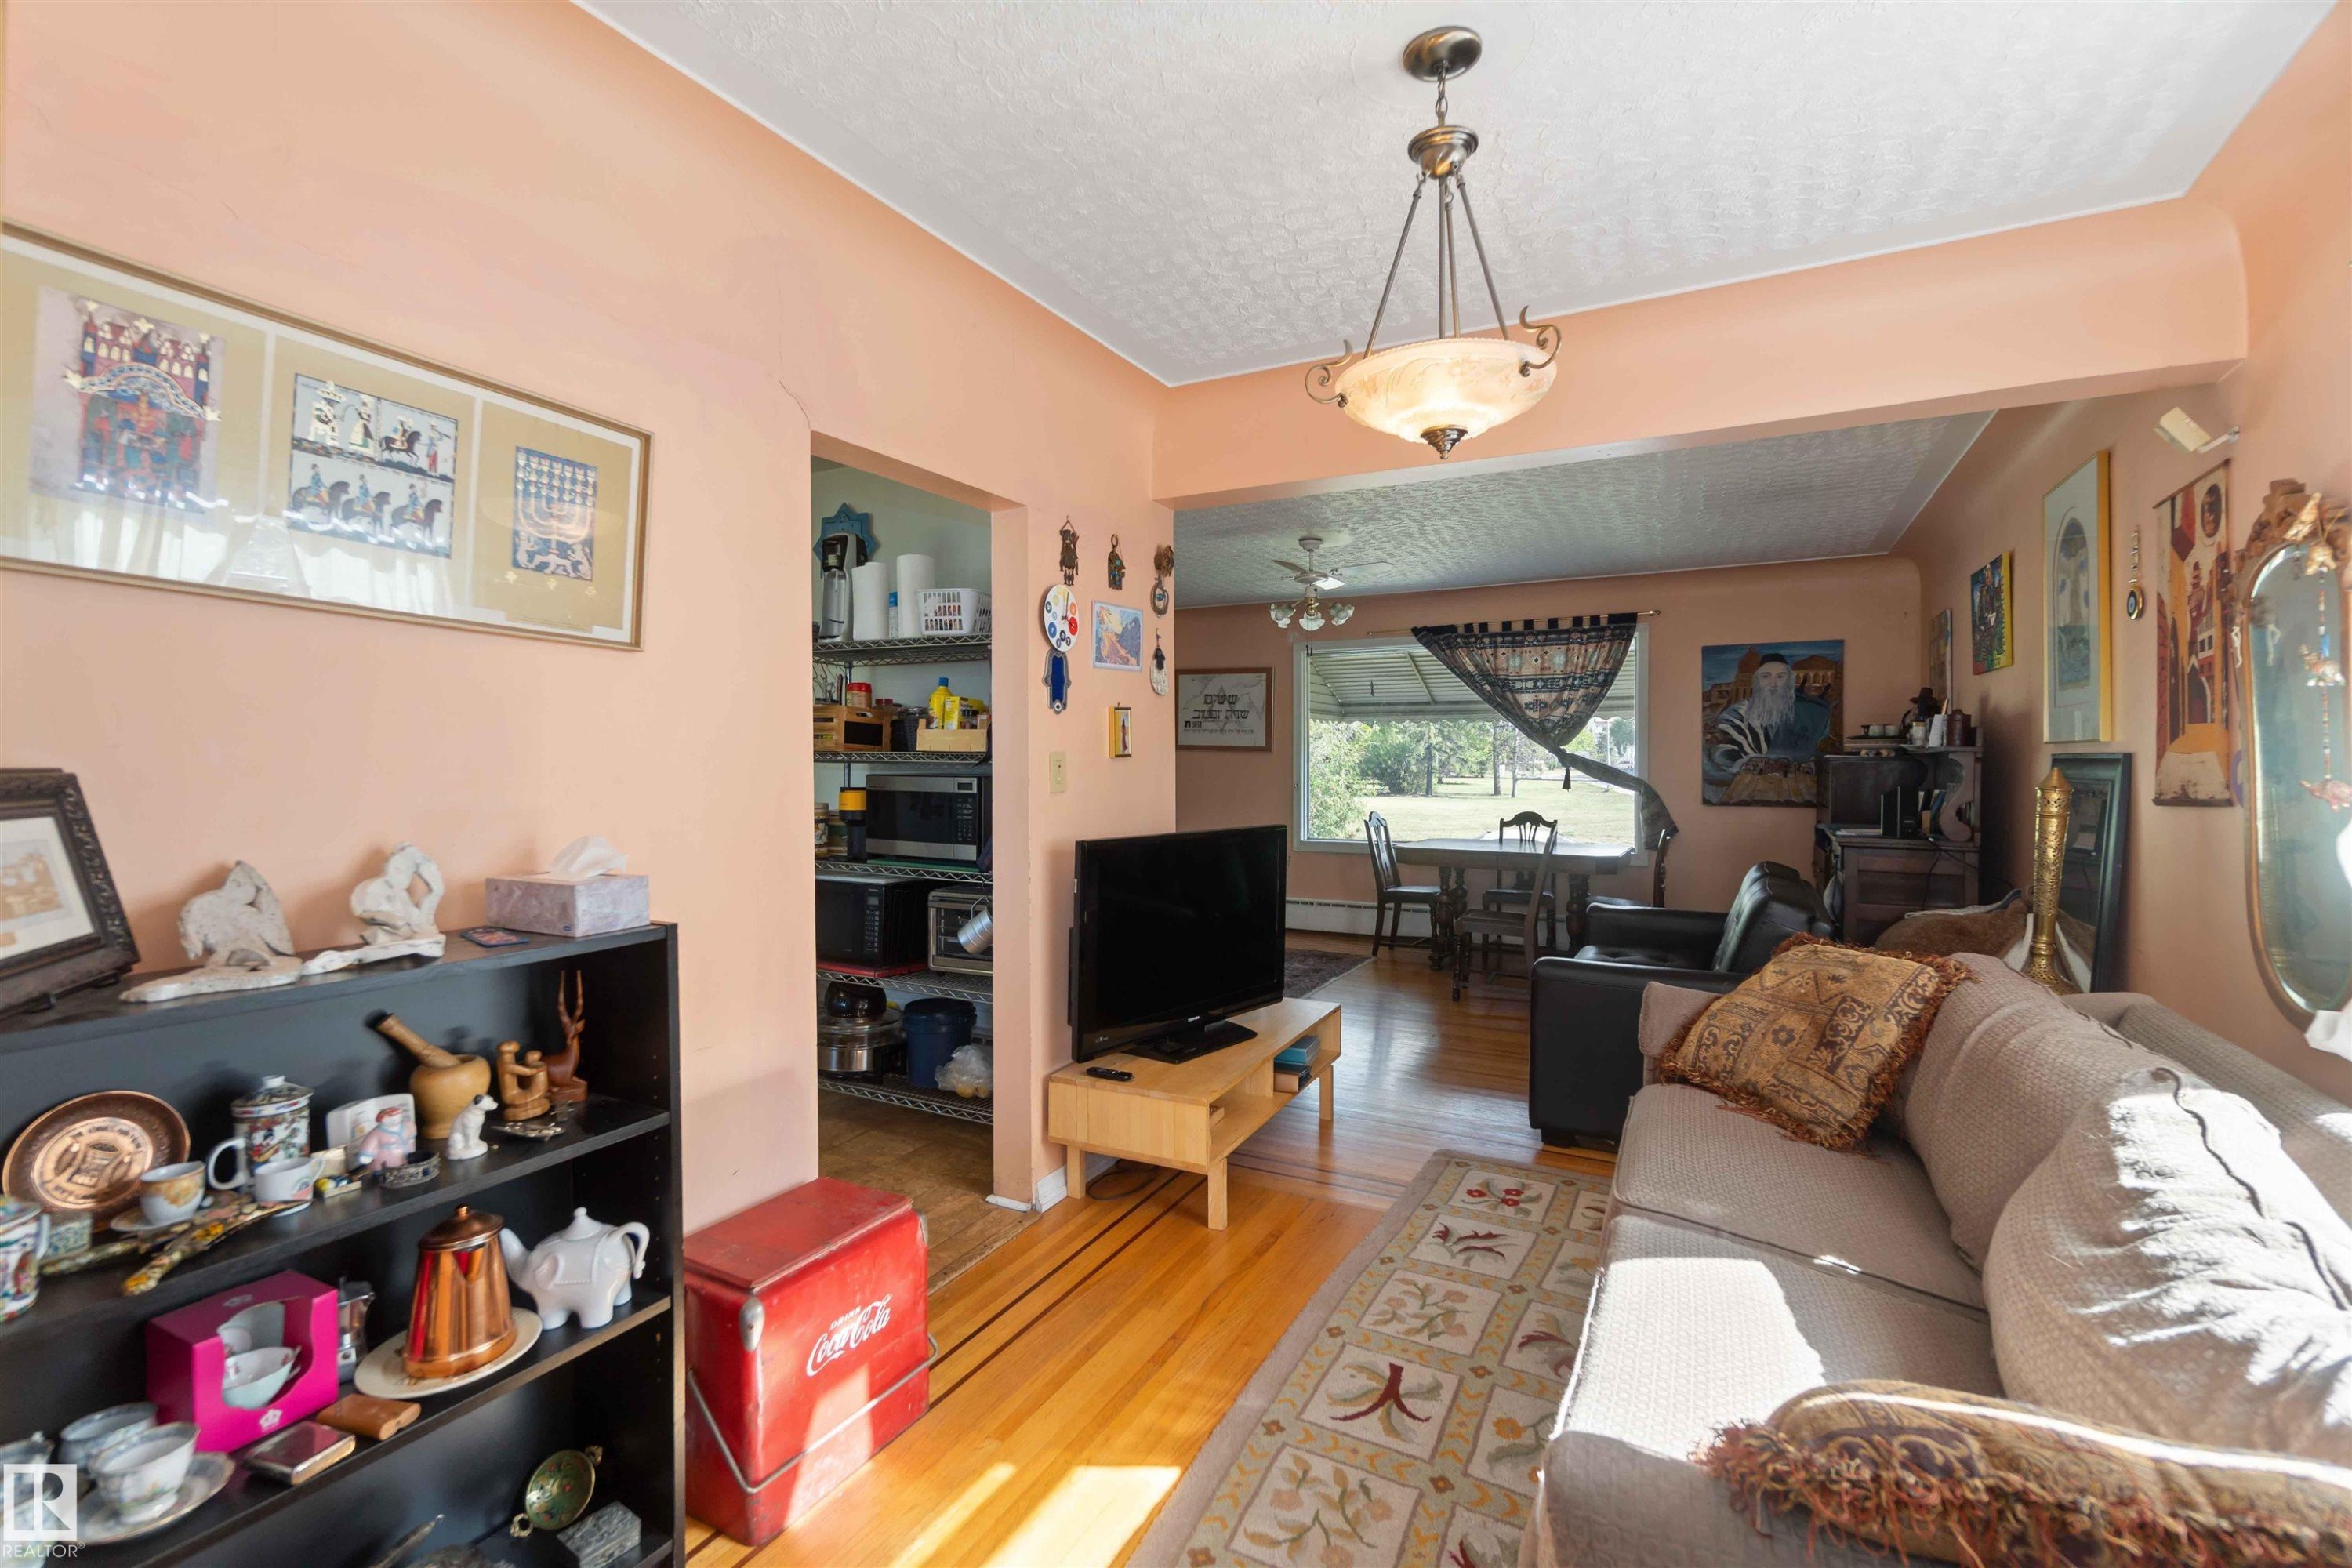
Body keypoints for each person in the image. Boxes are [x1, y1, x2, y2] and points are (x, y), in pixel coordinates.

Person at [1706, 652, 1834, 778]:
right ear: (1757, 681)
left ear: (1789, 681)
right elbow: (1721, 755)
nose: (1773, 684)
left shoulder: (1812, 713)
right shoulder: (1735, 715)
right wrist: (1750, 765)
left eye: (1780, 677)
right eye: (1766, 676)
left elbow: (1824, 752)